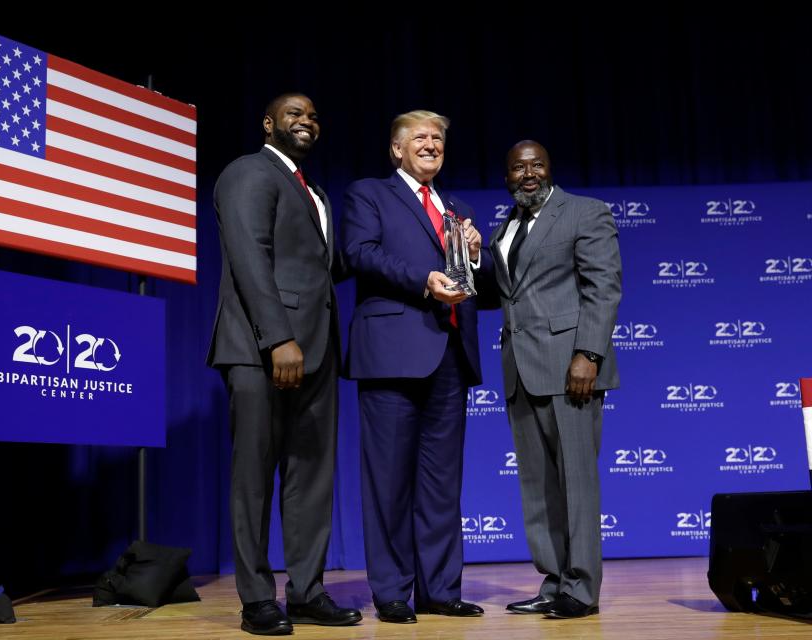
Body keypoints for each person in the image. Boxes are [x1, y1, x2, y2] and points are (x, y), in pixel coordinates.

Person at [207, 93, 360, 635]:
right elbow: (251, 255)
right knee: (254, 477)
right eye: (295, 114)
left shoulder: (312, 191)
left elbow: (322, 267)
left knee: (311, 479)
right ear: (268, 122)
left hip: (318, 349)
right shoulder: (248, 171)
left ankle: (308, 591)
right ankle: (255, 600)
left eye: (315, 116)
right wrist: (278, 339)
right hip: (260, 349)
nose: (307, 122)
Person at [340, 110, 485, 624]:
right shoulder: (369, 194)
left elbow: (475, 289)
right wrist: (423, 280)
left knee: (443, 484)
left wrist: (475, 256)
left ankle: (441, 590)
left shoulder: (458, 209)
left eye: (438, 138)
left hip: (450, 355)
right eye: (419, 138)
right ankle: (393, 592)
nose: (430, 145)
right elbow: (359, 253)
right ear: (396, 149)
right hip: (391, 355)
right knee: (388, 482)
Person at [480, 140, 622, 619]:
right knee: (538, 486)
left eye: (536, 164)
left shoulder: (584, 212)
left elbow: (603, 287)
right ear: (507, 177)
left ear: (549, 169)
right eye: (518, 167)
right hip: (521, 369)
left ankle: (581, 589)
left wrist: (588, 354)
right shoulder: (504, 226)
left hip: (570, 369)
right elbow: (503, 292)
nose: (528, 173)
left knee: (576, 484)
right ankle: (553, 579)